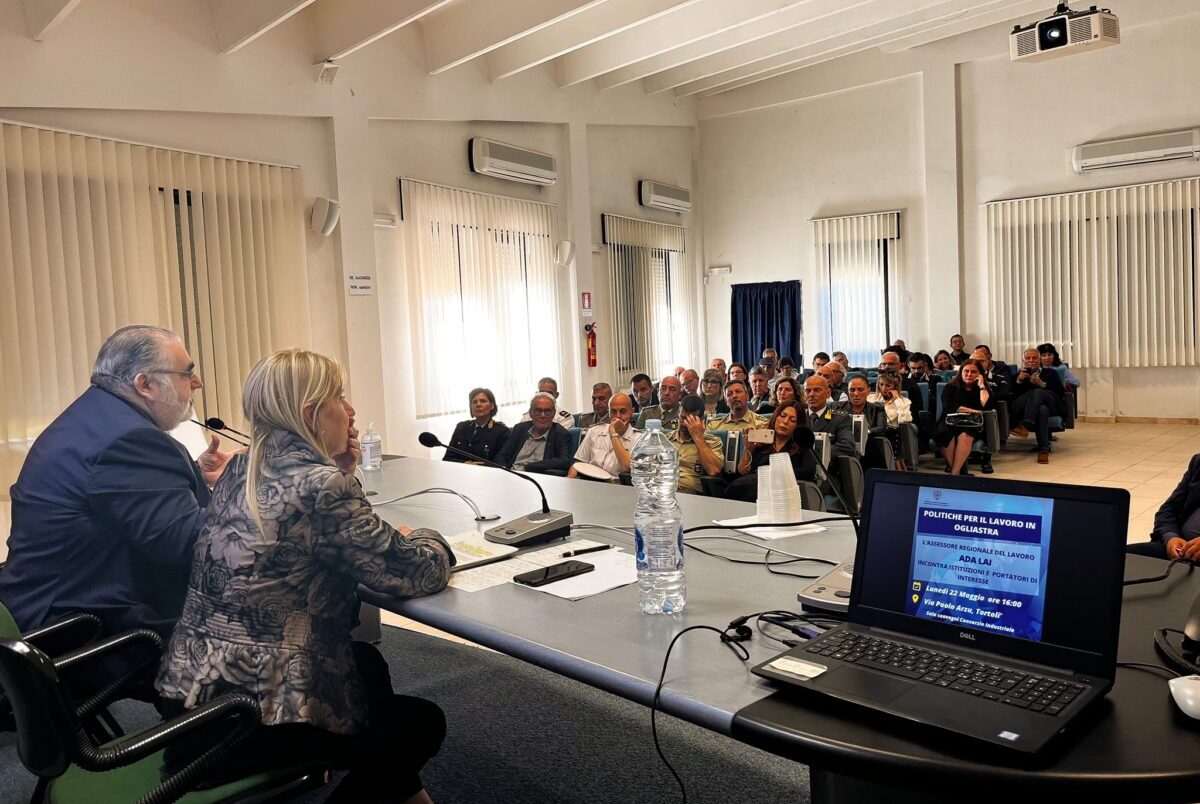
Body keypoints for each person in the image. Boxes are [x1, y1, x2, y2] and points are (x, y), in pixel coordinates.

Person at [156, 348, 453, 804]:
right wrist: (431, 537)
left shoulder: (241, 467)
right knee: (419, 724)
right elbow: (415, 572)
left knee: (367, 665)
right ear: (312, 413)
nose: (352, 412)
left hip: (196, 690)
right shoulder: (321, 486)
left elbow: (306, 537)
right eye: (340, 398)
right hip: (255, 711)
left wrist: (341, 471)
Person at [0, 325, 235, 639]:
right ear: (146, 384)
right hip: (90, 637)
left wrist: (192, 472)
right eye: (186, 373)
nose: (197, 382)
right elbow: (191, 546)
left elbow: (116, 494)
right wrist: (245, 487)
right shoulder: (129, 439)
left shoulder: (94, 418)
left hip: (45, 613)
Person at [727, 401, 818, 502]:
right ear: (775, 417)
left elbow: (809, 472)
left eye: (792, 420)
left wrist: (774, 472)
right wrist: (748, 448)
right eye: (782, 416)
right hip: (753, 486)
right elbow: (743, 471)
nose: (785, 421)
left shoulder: (802, 445)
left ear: (798, 425)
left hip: (783, 492)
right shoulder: (763, 442)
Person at [1134, 455, 1200, 560]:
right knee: (1113, 558)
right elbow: (1168, 510)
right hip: (1177, 551)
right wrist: (1171, 537)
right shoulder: (1198, 463)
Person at [935, 359, 991, 476]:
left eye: (973, 372)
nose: (969, 374)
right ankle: (959, 473)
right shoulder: (950, 387)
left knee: (965, 436)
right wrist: (974, 411)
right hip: (949, 420)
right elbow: (949, 406)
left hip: (972, 423)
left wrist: (981, 386)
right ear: (961, 372)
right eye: (966, 371)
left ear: (980, 374)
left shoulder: (983, 389)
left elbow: (985, 404)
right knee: (943, 433)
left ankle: (954, 474)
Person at [1009, 348, 1065, 464]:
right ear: (1023, 361)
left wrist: (1042, 384)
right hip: (1027, 408)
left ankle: (1026, 424)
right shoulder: (1017, 376)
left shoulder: (1051, 373)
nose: (1031, 361)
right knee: (1042, 410)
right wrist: (1018, 381)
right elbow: (1010, 395)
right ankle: (1043, 450)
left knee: (1038, 392)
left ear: (1040, 360)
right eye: (1028, 358)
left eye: (1034, 358)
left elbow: (1061, 392)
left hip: (1050, 403)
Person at [569, 393, 641, 481]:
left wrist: (613, 432)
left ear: (632, 412)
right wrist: (571, 478)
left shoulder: (639, 439)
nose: (618, 416)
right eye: (613, 412)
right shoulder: (594, 431)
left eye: (622, 411)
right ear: (609, 412)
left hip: (617, 487)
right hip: (591, 483)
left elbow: (627, 466)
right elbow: (579, 463)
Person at [497, 392, 573, 474]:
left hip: (537, 478)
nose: (542, 415)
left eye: (547, 411)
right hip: (511, 474)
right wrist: (503, 471)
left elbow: (564, 461)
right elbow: (502, 455)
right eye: (538, 411)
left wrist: (530, 467)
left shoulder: (560, 433)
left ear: (553, 413)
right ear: (530, 413)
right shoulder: (520, 429)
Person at [668, 395, 723, 494]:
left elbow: (714, 470)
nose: (685, 423)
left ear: (701, 419)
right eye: (683, 418)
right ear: (678, 414)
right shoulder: (667, 439)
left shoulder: (712, 441)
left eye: (691, 420)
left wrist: (698, 438)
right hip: (664, 491)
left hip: (691, 496)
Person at [443, 387, 509, 465]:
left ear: (492, 406)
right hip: (461, 473)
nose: (478, 404)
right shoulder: (461, 427)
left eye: (483, 401)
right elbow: (447, 458)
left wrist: (476, 467)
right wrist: (465, 463)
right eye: (474, 402)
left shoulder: (501, 431)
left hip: (487, 475)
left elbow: (500, 463)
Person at [866, 373, 912, 470]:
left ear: (895, 386)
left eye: (888, 385)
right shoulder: (871, 398)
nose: (883, 388)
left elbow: (904, 420)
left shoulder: (904, 401)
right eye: (881, 384)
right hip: (872, 430)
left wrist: (897, 399)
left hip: (891, 433)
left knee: (893, 433)